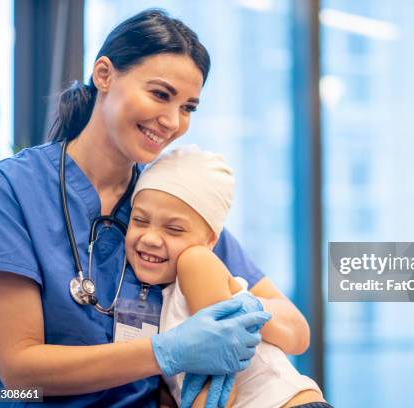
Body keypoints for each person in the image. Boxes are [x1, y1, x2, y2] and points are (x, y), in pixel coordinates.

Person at [0, 9, 309, 407]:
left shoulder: (168, 194)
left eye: (188, 107)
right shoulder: (7, 192)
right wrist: (168, 351)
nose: (172, 121)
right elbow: (19, 370)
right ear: (104, 75)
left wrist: (238, 306)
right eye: (161, 95)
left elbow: (294, 327)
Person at [125, 145, 330, 408]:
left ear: (211, 240)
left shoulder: (196, 263)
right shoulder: (166, 297)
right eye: (139, 221)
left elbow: (221, 375)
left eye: (174, 229)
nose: (150, 238)